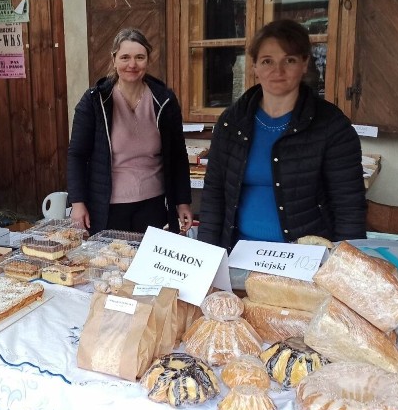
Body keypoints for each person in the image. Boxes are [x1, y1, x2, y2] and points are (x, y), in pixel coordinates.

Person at [198, 19, 366, 251]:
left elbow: (349, 206)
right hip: (238, 252)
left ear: (305, 63)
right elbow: (214, 194)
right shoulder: (232, 122)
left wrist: (347, 265)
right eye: (267, 61)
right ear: (254, 66)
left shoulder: (331, 126)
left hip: (306, 257)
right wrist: (206, 254)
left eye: (289, 60)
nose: (278, 71)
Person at [67, 28, 192, 235]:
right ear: (114, 60)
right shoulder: (94, 101)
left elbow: (178, 156)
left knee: (150, 264)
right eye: (125, 57)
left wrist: (183, 201)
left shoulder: (165, 100)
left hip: (154, 205)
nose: (132, 65)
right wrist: (77, 203)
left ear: (148, 60)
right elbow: (77, 155)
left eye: (139, 57)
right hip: (107, 207)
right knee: (111, 264)